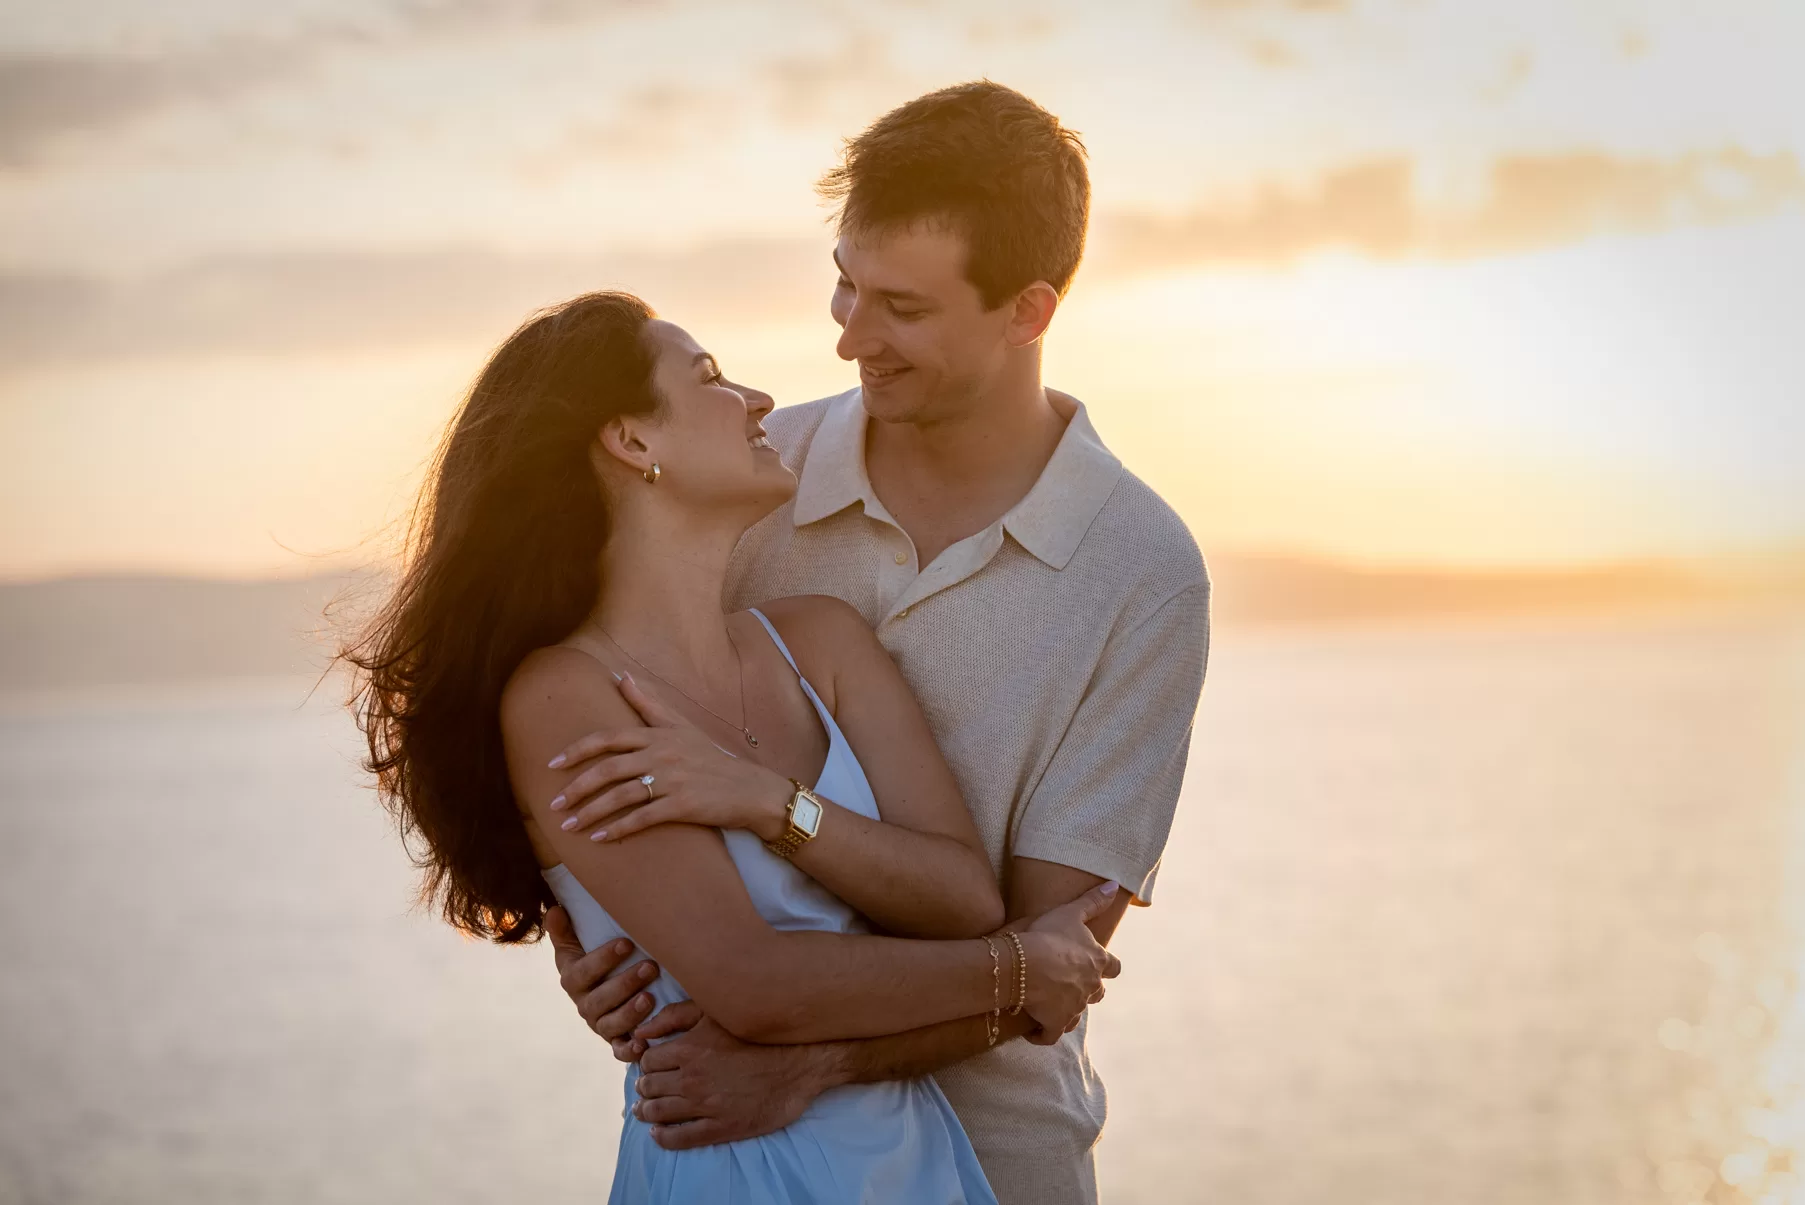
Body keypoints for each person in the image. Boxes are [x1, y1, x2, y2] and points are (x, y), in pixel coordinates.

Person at [546, 81, 1210, 1205]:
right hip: (735, 1145)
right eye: (844, 285)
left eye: (899, 306)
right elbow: (579, 703)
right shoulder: (749, 480)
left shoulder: (1139, 570)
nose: (850, 334)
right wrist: (581, 921)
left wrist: (809, 1060)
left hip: (1001, 1154)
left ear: (1027, 310)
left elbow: (1050, 951)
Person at [345, 287, 1124, 1204]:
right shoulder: (565, 696)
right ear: (631, 442)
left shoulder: (821, 642)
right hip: (739, 1166)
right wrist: (1027, 967)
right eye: (709, 375)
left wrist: (764, 799)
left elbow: (959, 897)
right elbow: (754, 983)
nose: (758, 399)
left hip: (912, 1164)